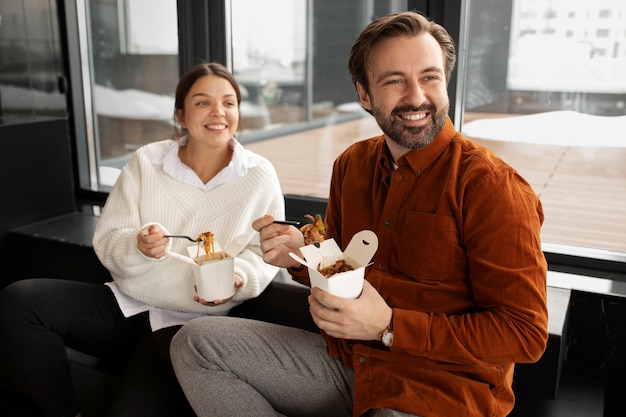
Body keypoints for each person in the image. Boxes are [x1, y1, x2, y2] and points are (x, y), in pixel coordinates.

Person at [170, 12, 548, 417]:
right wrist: (303, 256)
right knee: (194, 343)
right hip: (351, 363)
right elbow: (347, 272)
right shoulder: (353, 165)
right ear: (365, 95)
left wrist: (389, 326)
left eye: (430, 77)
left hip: (439, 389)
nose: (417, 96)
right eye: (394, 80)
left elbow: (524, 335)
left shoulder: (492, 187)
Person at [0, 62, 284, 417]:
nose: (218, 113)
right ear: (181, 114)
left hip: (191, 328)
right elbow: (109, 237)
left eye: (229, 103)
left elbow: (262, 251)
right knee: (22, 301)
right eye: (202, 103)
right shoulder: (147, 161)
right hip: (127, 305)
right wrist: (139, 245)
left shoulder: (259, 176)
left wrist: (239, 277)